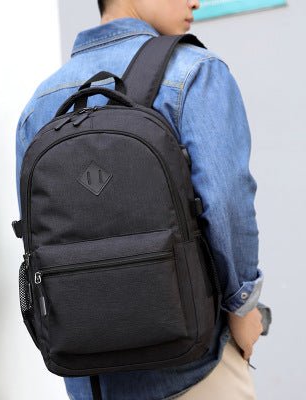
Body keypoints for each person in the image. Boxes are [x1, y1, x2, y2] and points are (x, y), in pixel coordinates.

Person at [15, 0, 272, 398]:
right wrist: (243, 305)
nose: (196, 2)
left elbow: (36, 238)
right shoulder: (194, 72)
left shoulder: (40, 104)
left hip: (91, 378)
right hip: (193, 369)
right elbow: (226, 201)